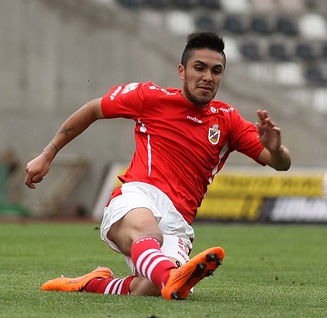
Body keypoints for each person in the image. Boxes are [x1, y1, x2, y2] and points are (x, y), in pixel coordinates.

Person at [25, 31, 292, 300]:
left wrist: (276, 148)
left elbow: (280, 164)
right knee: (149, 233)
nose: (207, 77)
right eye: (199, 68)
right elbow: (95, 108)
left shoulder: (227, 120)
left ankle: (92, 284)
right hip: (138, 196)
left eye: (216, 71)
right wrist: (48, 154)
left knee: (150, 288)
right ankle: (171, 275)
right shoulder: (150, 98)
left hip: (179, 221)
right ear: (181, 70)